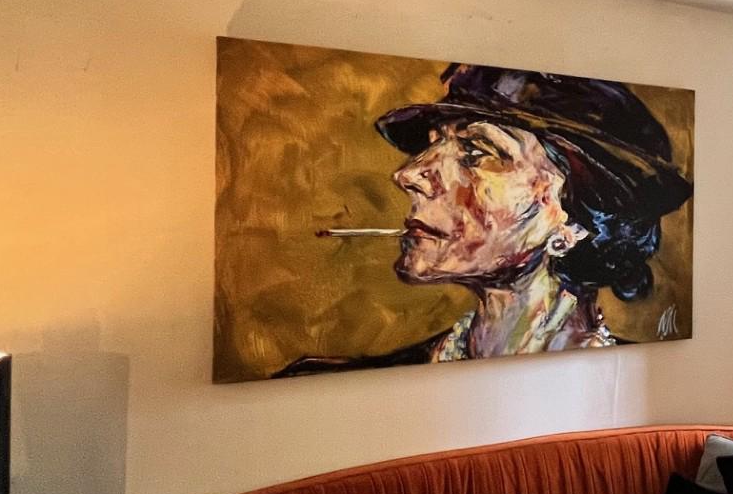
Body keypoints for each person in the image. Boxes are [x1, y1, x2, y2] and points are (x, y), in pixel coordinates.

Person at [280, 64, 691, 375]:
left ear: (572, 225)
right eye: (433, 146)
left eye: (477, 153)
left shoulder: (650, 382)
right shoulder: (319, 385)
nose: (408, 174)